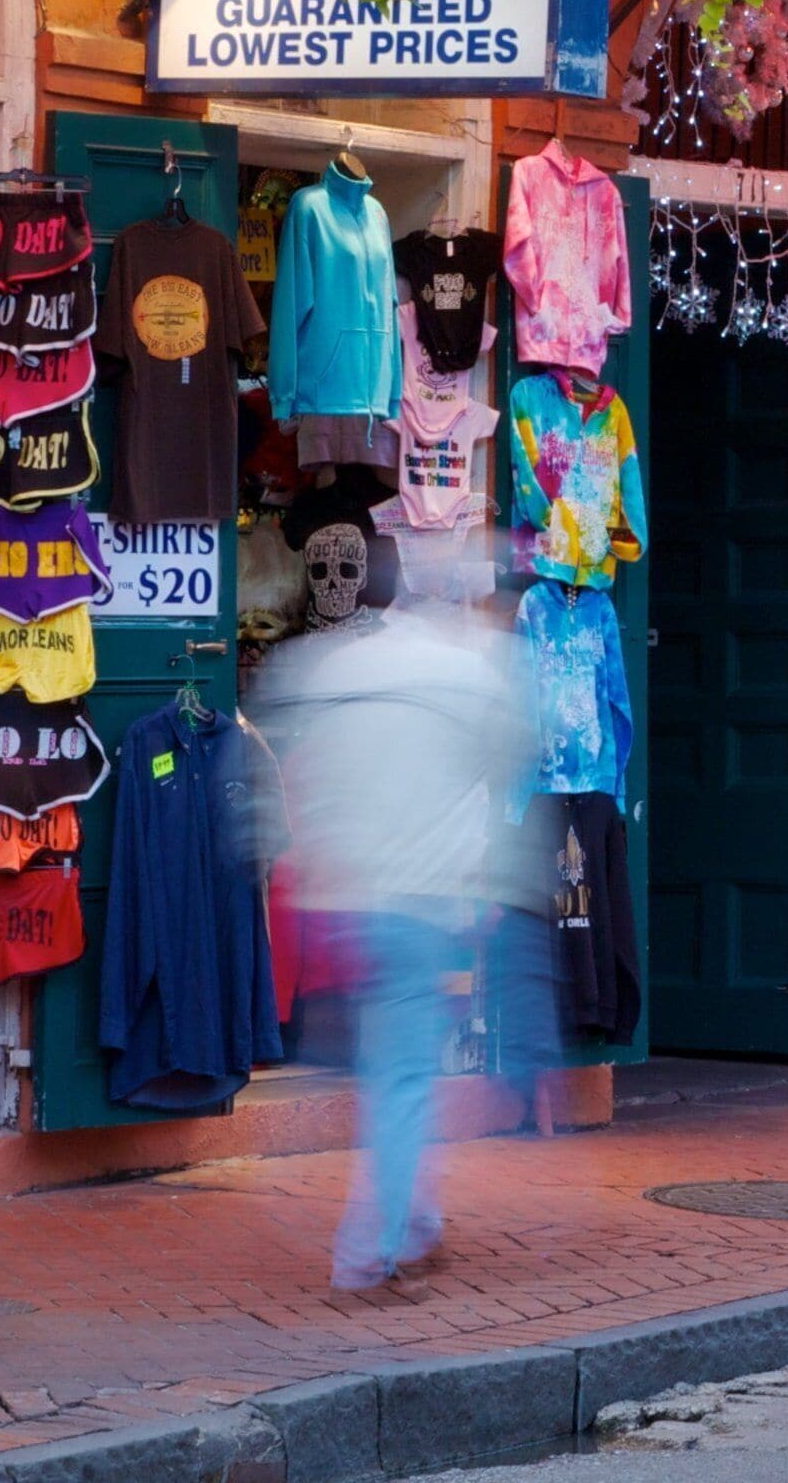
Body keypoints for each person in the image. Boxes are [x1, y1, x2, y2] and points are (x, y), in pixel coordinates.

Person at [248, 543, 541, 1290]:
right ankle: (369, 1249)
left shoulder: (330, 667)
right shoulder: (468, 672)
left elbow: (290, 776)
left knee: (395, 1066)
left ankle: (415, 1221)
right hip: (421, 901)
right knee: (405, 1074)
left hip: (346, 900)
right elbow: (513, 765)